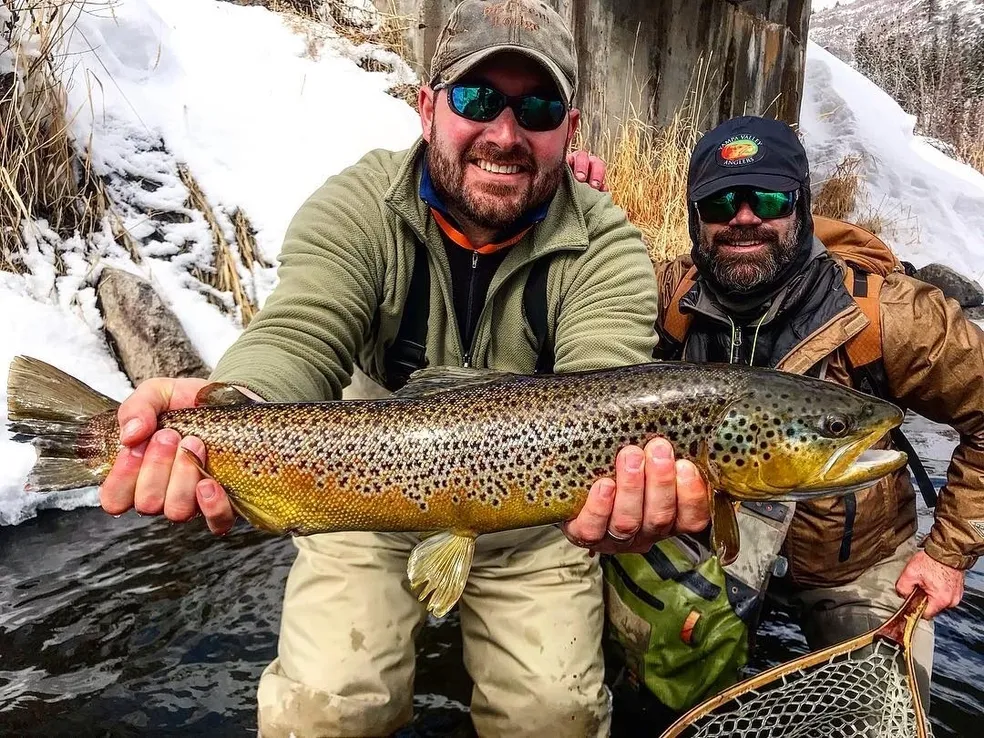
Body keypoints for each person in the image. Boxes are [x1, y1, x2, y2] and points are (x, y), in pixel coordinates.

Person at [96, 1, 711, 735]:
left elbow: (611, 401)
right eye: (478, 100)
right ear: (427, 108)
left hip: (539, 519)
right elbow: (299, 333)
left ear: (569, 132)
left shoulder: (606, 249)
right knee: (322, 713)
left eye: (538, 108)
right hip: (364, 492)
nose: (506, 134)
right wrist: (233, 406)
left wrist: (632, 492)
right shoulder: (359, 209)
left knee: (557, 716)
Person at [649, 114, 984, 704]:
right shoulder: (665, 296)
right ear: (695, 218)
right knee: (641, 690)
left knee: (883, 709)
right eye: (720, 201)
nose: (744, 216)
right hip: (706, 546)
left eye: (769, 197)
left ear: (801, 206)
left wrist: (947, 554)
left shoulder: (894, 317)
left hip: (851, 567)